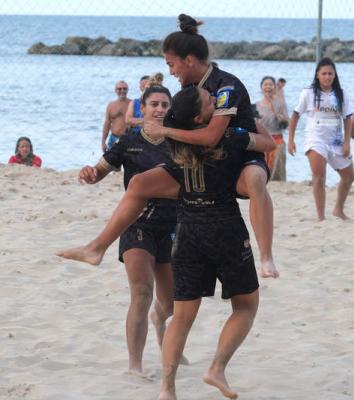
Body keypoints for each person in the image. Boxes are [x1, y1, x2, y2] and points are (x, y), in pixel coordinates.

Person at [57, 85, 278, 400]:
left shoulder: (174, 140)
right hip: (213, 228)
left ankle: (167, 389)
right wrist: (235, 115)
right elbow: (268, 143)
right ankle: (208, 367)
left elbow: (157, 154)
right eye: (209, 102)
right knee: (242, 306)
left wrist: (166, 126)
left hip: (184, 230)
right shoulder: (231, 137)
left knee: (180, 314)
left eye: (165, 105)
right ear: (203, 117)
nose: (215, 101)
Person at [144, 14, 278, 278]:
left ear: (189, 60)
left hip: (240, 159)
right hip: (207, 164)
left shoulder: (225, 86)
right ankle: (98, 246)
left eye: (172, 65)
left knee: (255, 179)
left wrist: (163, 130)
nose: (170, 72)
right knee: (139, 184)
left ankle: (267, 256)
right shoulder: (190, 88)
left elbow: (210, 137)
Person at [74, 78, 181, 377]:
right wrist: (89, 173)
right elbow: (99, 171)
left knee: (170, 304)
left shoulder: (179, 142)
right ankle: (135, 365)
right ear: (142, 108)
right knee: (141, 293)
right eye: (154, 105)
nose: (159, 110)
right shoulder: (129, 141)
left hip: (172, 228)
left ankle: (160, 321)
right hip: (136, 226)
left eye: (164, 105)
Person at [288, 57, 354, 221]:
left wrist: (347, 142)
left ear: (334, 75)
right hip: (315, 137)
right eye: (324, 73)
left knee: (349, 176)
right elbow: (296, 115)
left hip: (336, 139)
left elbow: (347, 118)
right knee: (319, 175)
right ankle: (321, 217)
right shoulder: (308, 93)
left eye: (330, 73)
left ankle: (338, 209)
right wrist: (291, 140)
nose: (327, 77)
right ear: (317, 75)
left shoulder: (341, 94)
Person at [256, 76, 289, 181]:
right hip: (262, 142)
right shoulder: (256, 106)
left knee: (277, 176)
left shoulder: (280, 104)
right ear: (261, 88)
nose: (268, 87)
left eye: (270, 85)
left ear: (274, 87)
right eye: (265, 84)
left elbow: (286, 124)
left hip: (277, 142)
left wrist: (280, 117)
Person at [101, 80, 131, 151]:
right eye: (119, 89)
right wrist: (103, 142)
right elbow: (107, 124)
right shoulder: (111, 105)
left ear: (127, 90)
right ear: (115, 90)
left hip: (128, 139)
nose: (122, 91)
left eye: (124, 88)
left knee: (130, 161)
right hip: (113, 138)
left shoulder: (132, 104)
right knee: (110, 161)